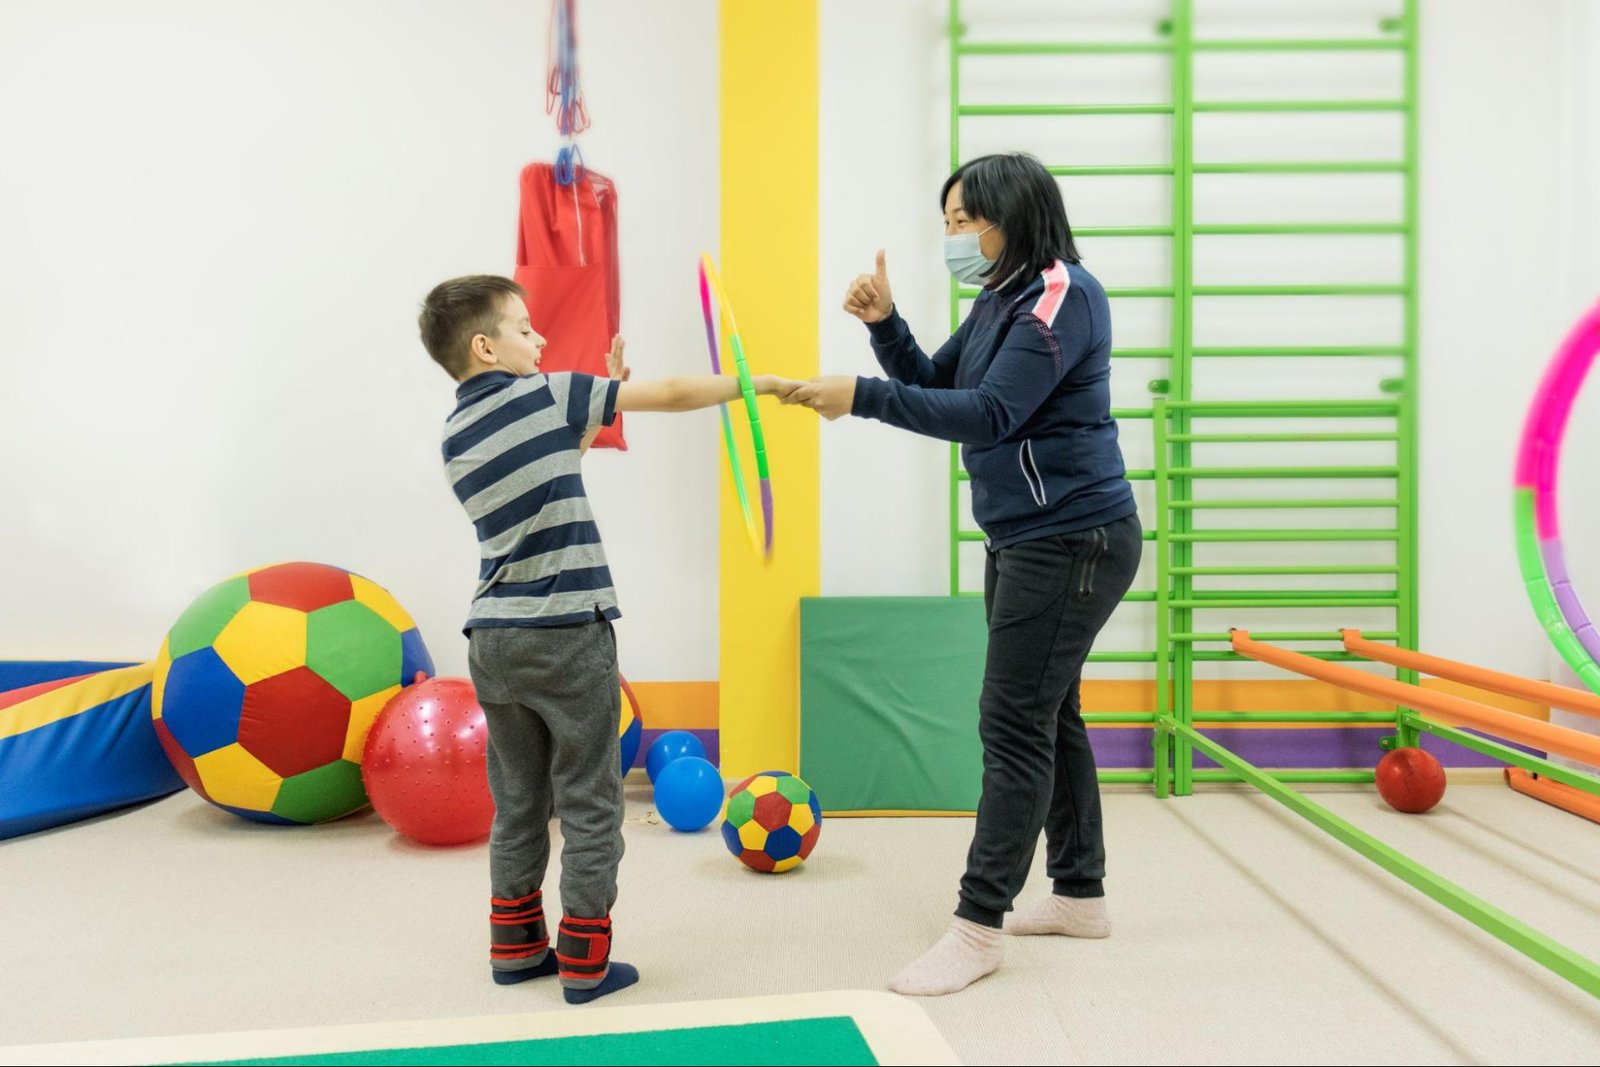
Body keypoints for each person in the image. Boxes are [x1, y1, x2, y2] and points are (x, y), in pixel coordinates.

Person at [788, 153, 1142, 996]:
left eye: (961, 221)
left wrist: (860, 395)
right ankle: (1079, 895)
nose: (951, 236)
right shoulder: (1001, 298)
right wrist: (886, 327)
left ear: (1010, 215)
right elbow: (938, 383)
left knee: (1012, 723)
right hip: (1027, 537)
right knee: (1050, 716)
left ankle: (977, 927)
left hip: (1072, 539)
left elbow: (989, 415)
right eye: (944, 222)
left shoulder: (1061, 295)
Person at [418, 274, 799, 1003]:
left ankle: (515, 946)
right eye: (525, 329)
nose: (541, 339)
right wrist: (756, 384)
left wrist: (597, 397)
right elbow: (677, 393)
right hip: (565, 631)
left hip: (494, 638)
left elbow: (550, 474)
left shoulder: (457, 434)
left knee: (521, 800)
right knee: (591, 800)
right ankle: (587, 963)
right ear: (485, 345)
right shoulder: (544, 393)